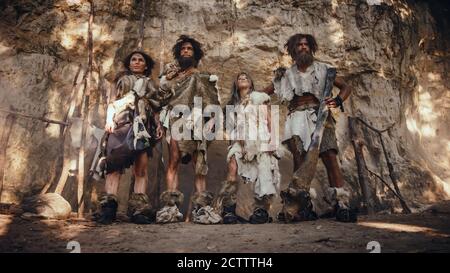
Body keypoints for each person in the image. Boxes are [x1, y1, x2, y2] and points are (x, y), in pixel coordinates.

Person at [263, 33, 357, 222]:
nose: (303, 47)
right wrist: (247, 100)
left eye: (306, 44)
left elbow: (346, 87)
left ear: (311, 47)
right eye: (299, 45)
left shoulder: (324, 69)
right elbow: (265, 92)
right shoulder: (286, 74)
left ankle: (341, 204)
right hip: (296, 119)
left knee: (329, 156)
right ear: (293, 49)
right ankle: (303, 207)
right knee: (299, 162)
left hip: (320, 116)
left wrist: (338, 100)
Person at [156, 35, 222, 224]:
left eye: (189, 49)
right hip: (176, 119)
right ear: (179, 53)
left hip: (196, 123)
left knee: (198, 163)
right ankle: (171, 208)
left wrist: (211, 121)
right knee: (173, 161)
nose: (186, 51)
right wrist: (161, 123)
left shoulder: (202, 76)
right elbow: (162, 101)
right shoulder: (171, 78)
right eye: (183, 49)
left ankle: (201, 208)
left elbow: (212, 102)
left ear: (195, 54)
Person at [94, 50, 164, 225]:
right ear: (129, 63)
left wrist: (159, 125)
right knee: (113, 166)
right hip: (121, 125)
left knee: (141, 170)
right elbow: (112, 102)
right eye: (134, 59)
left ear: (146, 65)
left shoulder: (149, 84)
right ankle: (108, 209)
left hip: (142, 127)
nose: (137, 62)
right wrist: (109, 119)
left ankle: (138, 210)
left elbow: (155, 108)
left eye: (141, 60)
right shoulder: (121, 80)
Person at [216, 72, 281, 224]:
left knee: (263, 172)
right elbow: (231, 128)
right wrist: (236, 143)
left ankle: (261, 210)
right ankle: (229, 210)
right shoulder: (233, 104)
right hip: (240, 142)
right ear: (236, 84)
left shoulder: (259, 98)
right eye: (239, 78)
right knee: (232, 167)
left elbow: (270, 119)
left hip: (261, 140)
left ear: (251, 83)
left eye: (246, 77)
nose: (242, 79)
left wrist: (272, 142)